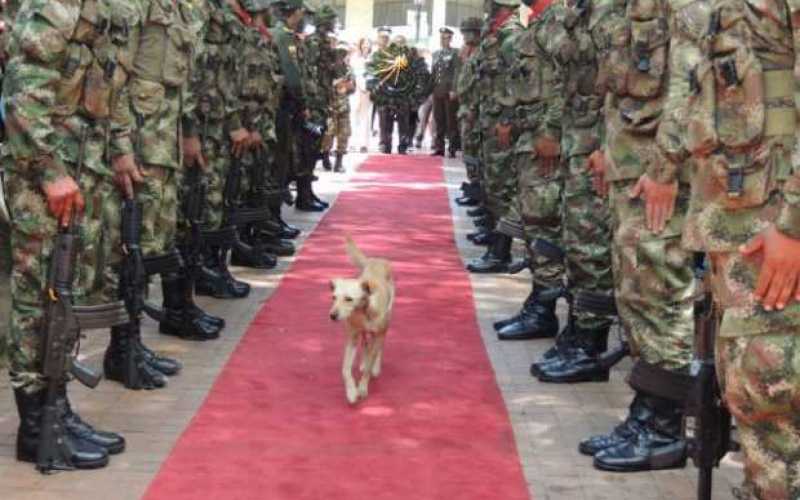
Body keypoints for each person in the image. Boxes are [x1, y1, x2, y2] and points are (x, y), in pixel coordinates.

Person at [666, 0, 800, 497]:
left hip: (775, 230)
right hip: (739, 224)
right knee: (754, 399)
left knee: (773, 394)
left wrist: (793, 226)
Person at [3, 0, 141, 469]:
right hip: (45, 176)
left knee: (66, 297)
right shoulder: (55, 4)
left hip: (85, 171)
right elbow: (24, 92)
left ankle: (58, 408)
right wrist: (47, 170)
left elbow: (110, 88)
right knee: (38, 299)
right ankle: (37, 427)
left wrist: (120, 151)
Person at [580, 0, 695, 472]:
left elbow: (689, 83)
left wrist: (666, 165)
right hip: (633, 169)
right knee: (636, 293)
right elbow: (625, 92)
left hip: (662, 177)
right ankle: (645, 412)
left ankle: (665, 427)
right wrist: (609, 151)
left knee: (661, 292)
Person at [523, 0, 619, 384]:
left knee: (591, 246)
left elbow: (620, 87)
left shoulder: (611, 13)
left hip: (599, 145)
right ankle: (579, 333)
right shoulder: (583, 13)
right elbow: (567, 83)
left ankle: (590, 344)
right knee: (579, 244)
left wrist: (609, 147)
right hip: (578, 142)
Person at [466, 0, 519, 273]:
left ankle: (500, 253)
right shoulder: (498, 35)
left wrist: (507, 119)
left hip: (502, 126)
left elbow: (516, 83)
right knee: (493, 186)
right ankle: (495, 244)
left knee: (502, 190)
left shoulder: (512, 36)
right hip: (491, 122)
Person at [454, 17, 484, 209]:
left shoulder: (481, 52)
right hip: (465, 109)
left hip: (475, 110)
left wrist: (474, 107)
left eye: (468, 32)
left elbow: (480, 84)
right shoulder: (466, 52)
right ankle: (473, 189)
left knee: (475, 152)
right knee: (469, 152)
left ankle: (478, 192)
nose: (465, 36)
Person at [321, 44, 356, 173]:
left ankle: (339, 162)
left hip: (344, 106)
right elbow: (324, 86)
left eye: (343, 53)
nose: (341, 55)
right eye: (339, 53)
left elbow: (353, 88)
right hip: (330, 106)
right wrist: (336, 84)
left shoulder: (348, 69)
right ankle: (325, 156)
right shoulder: (328, 70)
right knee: (328, 133)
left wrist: (348, 86)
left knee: (344, 134)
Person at [431, 27, 461, 158]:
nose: (444, 40)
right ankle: (439, 147)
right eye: (442, 37)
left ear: (451, 39)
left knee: (451, 121)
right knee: (438, 120)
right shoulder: (436, 54)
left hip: (449, 91)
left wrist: (454, 89)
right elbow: (433, 73)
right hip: (437, 90)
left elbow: (457, 72)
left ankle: (452, 147)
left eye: (446, 37)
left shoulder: (455, 53)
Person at [349, 37, 373, 153]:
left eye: (368, 44)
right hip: (355, 89)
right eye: (364, 44)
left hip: (367, 91)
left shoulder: (372, 58)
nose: (366, 46)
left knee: (365, 117)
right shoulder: (354, 58)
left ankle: (364, 144)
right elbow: (353, 73)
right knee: (353, 115)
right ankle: (352, 143)